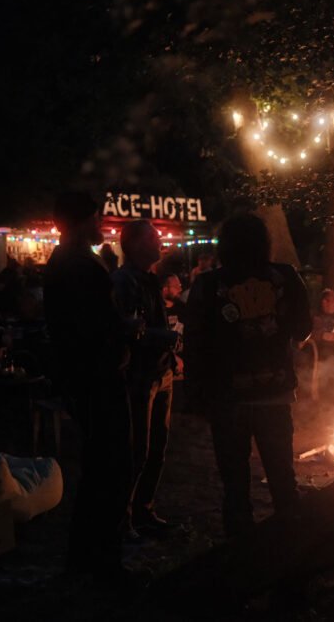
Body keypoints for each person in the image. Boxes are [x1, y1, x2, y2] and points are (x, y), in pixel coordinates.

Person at [187, 213, 312, 538]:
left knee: (235, 483)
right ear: (264, 243)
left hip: (226, 397)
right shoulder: (285, 276)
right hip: (274, 393)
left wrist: (198, 394)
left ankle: (240, 552)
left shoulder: (207, 284)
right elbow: (303, 329)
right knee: (282, 477)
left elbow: (194, 341)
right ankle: (292, 549)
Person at [43, 191, 133, 583]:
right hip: (99, 380)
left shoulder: (63, 262)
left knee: (99, 470)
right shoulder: (80, 266)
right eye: (96, 218)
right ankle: (103, 563)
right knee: (111, 470)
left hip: (84, 379)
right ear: (81, 223)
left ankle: (84, 560)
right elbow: (95, 328)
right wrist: (127, 331)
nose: (101, 225)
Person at [112, 221, 180, 537]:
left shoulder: (151, 279)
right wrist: (164, 338)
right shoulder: (123, 282)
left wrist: (171, 357)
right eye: (154, 237)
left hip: (161, 372)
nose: (160, 241)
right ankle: (122, 520)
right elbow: (125, 330)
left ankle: (144, 511)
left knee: (157, 449)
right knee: (136, 450)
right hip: (138, 376)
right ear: (137, 244)